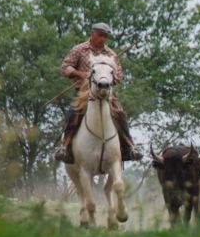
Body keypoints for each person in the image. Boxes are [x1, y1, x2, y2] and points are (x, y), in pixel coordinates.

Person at [54, 22, 142, 164]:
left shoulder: (111, 54)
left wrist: (107, 77)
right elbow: (65, 67)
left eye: (105, 36)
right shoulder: (80, 49)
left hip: (106, 92)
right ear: (92, 33)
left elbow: (119, 75)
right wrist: (81, 74)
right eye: (100, 35)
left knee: (120, 114)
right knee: (73, 113)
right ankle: (64, 147)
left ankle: (130, 147)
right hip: (83, 91)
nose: (103, 39)